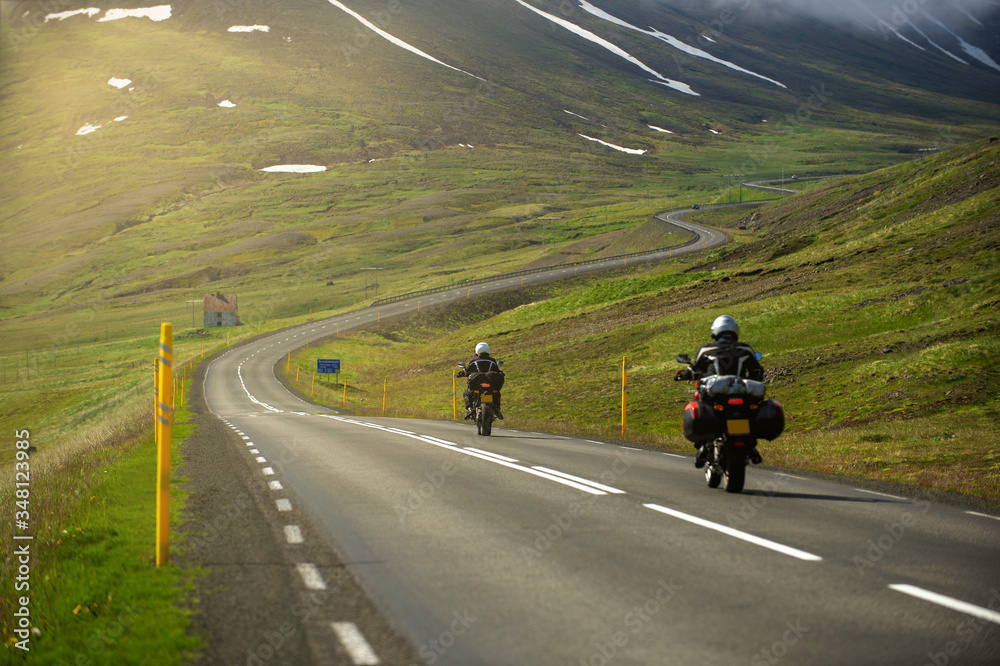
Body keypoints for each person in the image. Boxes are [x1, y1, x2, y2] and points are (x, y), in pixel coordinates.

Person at [675, 315, 763, 467]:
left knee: (701, 405)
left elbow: (694, 369)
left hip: (716, 395)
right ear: (735, 331)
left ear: (715, 332)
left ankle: (702, 444)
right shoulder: (745, 349)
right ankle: (751, 444)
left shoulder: (706, 349)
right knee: (750, 410)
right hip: (741, 394)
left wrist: (682, 375)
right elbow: (757, 371)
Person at [457, 342, 504, 420]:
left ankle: (469, 410)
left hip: (477, 385)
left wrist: (460, 374)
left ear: (477, 351)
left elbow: (466, 371)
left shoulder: (473, 360)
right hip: (490, 384)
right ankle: (497, 409)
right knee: (497, 393)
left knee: (467, 394)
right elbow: (497, 371)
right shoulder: (492, 361)